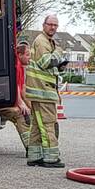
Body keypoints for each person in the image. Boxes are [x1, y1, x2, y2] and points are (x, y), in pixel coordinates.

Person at [25, 14, 67, 167]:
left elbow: (49, 65)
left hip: (40, 91)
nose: (53, 27)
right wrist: (58, 53)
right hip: (43, 92)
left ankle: (34, 156)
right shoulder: (42, 41)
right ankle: (51, 158)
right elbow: (45, 62)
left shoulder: (47, 41)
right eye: (50, 24)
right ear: (43, 25)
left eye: (55, 25)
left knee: (37, 125)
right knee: (48, 124)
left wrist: (59, 65)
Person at [0, 42, 33, 154]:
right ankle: (31, 149)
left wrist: (32, 107)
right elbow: (14, 85)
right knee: (20, 114)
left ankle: (34, 146)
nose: (29, 57)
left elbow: (22, 89)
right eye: (27, 54)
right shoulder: (14, 65)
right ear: (19, 55)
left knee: (28, 113)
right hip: (0, 102)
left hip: (8, 101)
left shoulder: (20, 67)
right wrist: (20, 103)